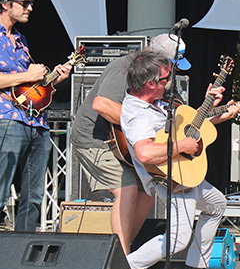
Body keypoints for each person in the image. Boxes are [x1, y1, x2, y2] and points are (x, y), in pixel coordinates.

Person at [120, 49, 240, 269]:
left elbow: (188, 129)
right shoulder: (138, 114)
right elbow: (144, 152)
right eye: (166, 79)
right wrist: (183, 145)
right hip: (171, 179)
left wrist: (216, 111)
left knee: (217, 204)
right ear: (150, 84)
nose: (170, 83)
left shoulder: (155, 102)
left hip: (183, 171)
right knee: (176, 240)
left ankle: (196, 268)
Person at [0, 0, 72, 259]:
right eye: (25, 3)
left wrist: (53, 80)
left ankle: (22, 259)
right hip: (7, 120)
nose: (30, 8)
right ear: (5, 4)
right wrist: (28, 74)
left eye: (31, 4)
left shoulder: (20, 40)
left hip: (36, 122)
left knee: (34, 198)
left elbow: (28, 90)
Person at [69, 34, 191, 254]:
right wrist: (141, 126)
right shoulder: (124, 68)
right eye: (172, 65)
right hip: (95, 139)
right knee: (127, 189)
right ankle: (122, 261)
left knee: (147, 193)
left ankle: (122, 255)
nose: (174, 71)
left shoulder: (161, 76)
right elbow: (101, 104)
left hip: (127, 145)